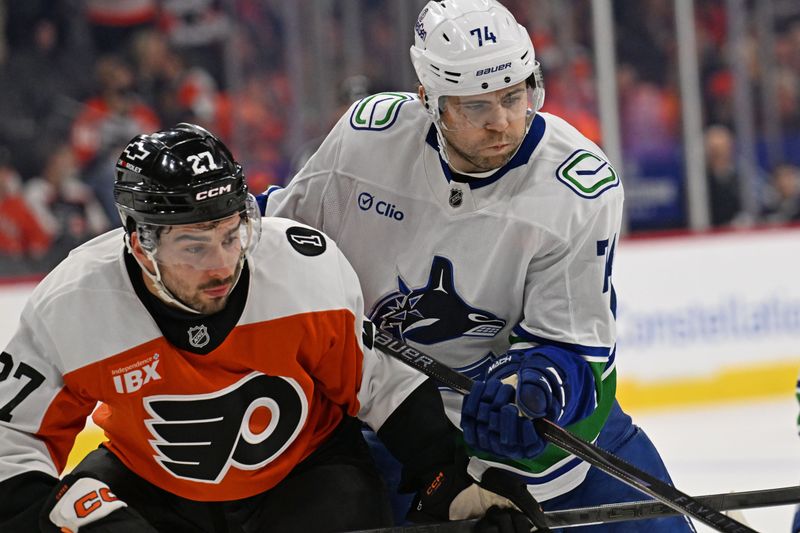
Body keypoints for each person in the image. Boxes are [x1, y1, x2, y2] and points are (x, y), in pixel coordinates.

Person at [261, 1, 695, 531]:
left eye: (515, 97)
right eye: (476, 107)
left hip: (549, 454)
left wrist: (534, 388)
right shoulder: (366, 141)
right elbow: (279, 244)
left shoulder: (575, 186)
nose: (503, 124)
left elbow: (575, 348)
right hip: (397, 437)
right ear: (429, 100)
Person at [0, 123, 543, 533]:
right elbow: (9, 443)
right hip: (151, 485)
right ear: (140, 241)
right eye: (193, 245)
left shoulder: (301, 270)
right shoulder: (73, 304)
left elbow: (381, 384)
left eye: (231, 234)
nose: (221, 265)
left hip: (307, 477)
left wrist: (447, 479)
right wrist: (83, 514)